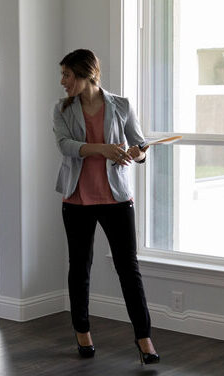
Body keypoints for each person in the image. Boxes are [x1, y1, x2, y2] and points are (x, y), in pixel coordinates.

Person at [52, 49, 160, 364]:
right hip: (76, 199)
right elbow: (64, 146)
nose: (63, 82)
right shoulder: (62, 109)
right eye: (63, 75)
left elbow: (139, 146)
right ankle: (82, 331)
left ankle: (144, 338)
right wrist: (104, 149)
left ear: (87, 74)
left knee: (129, 269)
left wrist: (136, 153)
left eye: (67, 75)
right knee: (79, 267)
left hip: (117, 198)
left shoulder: (122, 105)